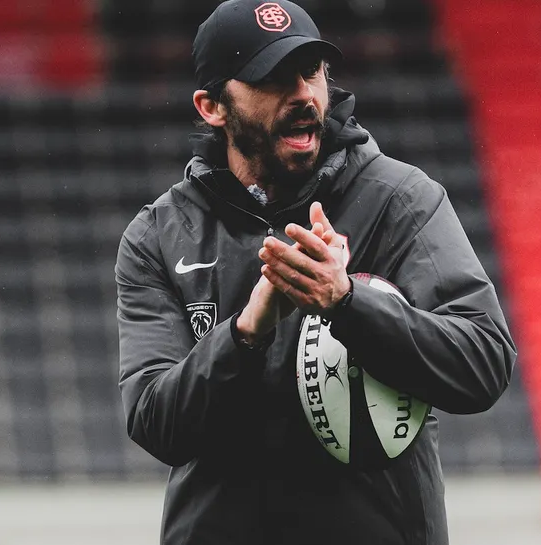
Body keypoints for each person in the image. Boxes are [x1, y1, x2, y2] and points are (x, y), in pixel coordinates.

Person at [115, 1, 517, 544]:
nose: (304, 94)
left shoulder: (401, 201)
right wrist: (245, 334)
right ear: (212, 107)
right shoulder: (159, 235)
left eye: (311, 72)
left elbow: (483, 364)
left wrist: (348, 302)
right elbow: (155, 423)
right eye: (273, 79)